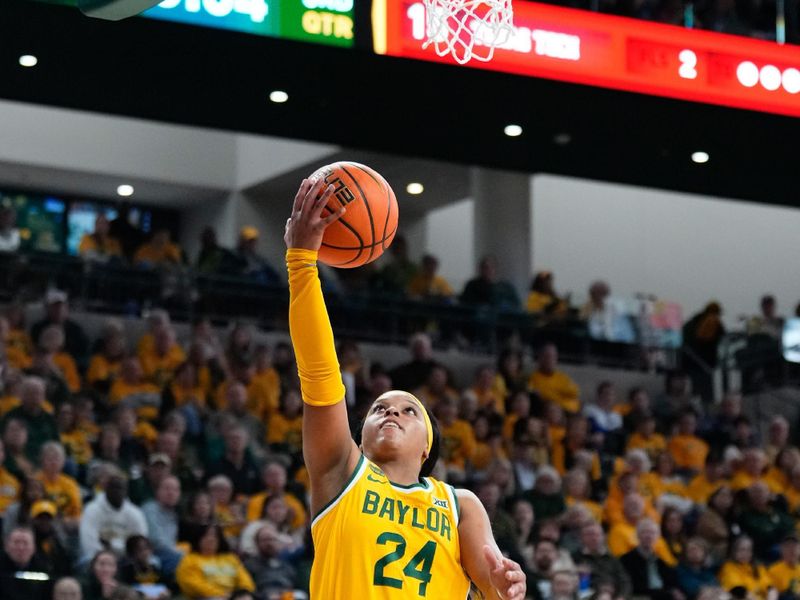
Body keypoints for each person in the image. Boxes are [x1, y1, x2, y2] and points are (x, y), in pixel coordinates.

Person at [284, 177, 526, 599]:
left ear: (427, 448)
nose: (391, 412)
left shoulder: (458, 504)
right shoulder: (342, 472)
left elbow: (490, 575)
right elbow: (321, 372)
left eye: (408, 410)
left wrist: (504, 586)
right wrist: (302, 262)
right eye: (378, 408)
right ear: (358, 435)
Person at [175, 524, 255, 599]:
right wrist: (220, 594)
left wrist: (245, 591)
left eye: (215, 536)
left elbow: (244, 578)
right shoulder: (189, 560)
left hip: (232, 596)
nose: (211, 539)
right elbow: (192, 584)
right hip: (206, 597)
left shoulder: (229, 558)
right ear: (198, 538)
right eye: (206, 535)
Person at [79, 474, 148, 562]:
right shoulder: (92, 509)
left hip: (126, 559)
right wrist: (108, 560)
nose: (117, 491)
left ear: (126, 491)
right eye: (113, 488)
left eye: (120, 488)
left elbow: (140, 545)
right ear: (106, 489)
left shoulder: (135, 513)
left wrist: (111, 545)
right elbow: (88, 545)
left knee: (153, 562)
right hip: (95, 559)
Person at [31, 289, 90, 371]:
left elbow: (84, 357)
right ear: (47, 308)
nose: (59, 310)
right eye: (55, 306)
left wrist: (63, 364)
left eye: (62, 306)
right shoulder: (37, 328)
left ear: (67, 308)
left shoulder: (77, 331)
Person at [0, 526, 52, 600]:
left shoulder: (44, 569)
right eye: (16, 542)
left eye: (25, 543)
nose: (21, 547)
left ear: (34, 548)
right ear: (6, 546)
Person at [528, 344, 581, 414]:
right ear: (540, 358)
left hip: (569, 412)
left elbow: (575, 392)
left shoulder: (562, 377)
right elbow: (538, 396)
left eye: (554, 357)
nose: (551, 360)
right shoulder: (532, 378)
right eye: (548, 356)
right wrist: (560, 393)